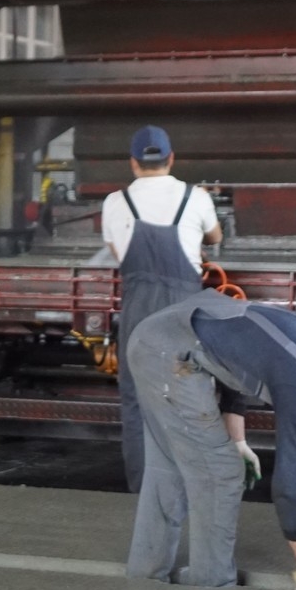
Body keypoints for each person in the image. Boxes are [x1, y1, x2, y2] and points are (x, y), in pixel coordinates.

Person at [123, 287, 296, 590]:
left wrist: (238, 440)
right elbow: (287, 486)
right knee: (221, 473)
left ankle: (145, 578)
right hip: (171, 351)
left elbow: (239, 360)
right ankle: (210, 588)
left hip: (160, 335)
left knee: (168, 468)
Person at [102, 125, 224, 493]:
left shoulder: (115, 202)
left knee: (137, 400)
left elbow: (118, 253)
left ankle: (145, 491)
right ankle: (188, 487)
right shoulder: (196, 197)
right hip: (182, 315)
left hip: (138, 313)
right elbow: (216, 237)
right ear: (171, 159)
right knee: (187, 396)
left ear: (133, 163)